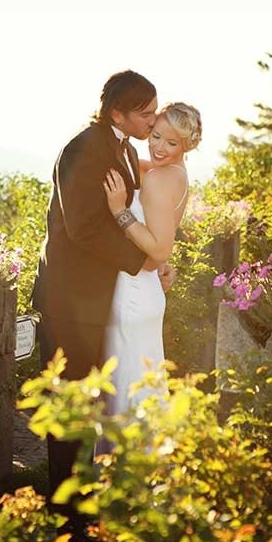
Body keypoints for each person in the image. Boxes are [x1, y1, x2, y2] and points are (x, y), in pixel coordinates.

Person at [31, 71, 176, 530]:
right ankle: (64, 517)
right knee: (71, 403)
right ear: (118, 113)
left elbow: (124, 217)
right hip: (70, 301)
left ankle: (90, 504)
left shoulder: (126, 149)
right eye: (145, 112)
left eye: (155, 109)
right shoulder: (83, 149)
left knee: (97, 400)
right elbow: (84, 228)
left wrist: (155, 255)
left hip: (103, 298)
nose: (154, 120)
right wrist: (143, 262)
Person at [102, 102, 202, 416]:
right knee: (142, 388)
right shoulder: (174, 174)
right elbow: (140, 165)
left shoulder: (160, 180)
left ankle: (121, 463)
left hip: (133, 294)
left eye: (171, 143)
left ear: (187, 145)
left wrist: (119, 211)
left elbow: (160, 250)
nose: (159, 147)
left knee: (124, 391)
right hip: (146, 291)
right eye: (155, 136)